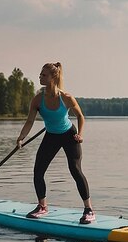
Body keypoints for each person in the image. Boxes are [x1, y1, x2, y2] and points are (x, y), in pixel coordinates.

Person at [16, 62, 95, 224]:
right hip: (51, 136)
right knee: (38, 171)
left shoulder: (66, 98)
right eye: (40, 74)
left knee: (75, 169)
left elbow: (80, 116)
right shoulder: (37, 100)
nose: (40, 77)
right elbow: (30, 121)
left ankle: (89, 210)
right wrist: (21, 137)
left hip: (68, 135)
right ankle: (42, 207)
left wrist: (80, 134)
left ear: (54, 77)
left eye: (44, 75)